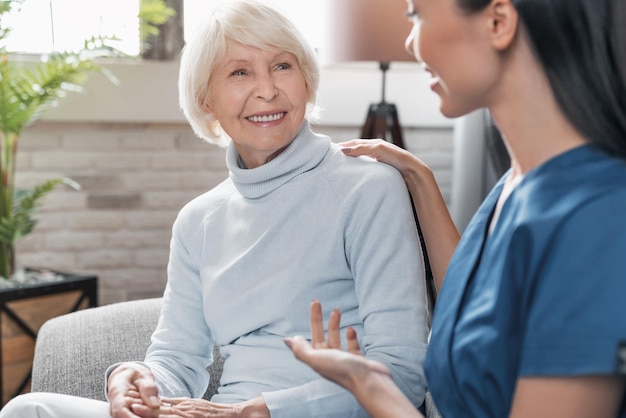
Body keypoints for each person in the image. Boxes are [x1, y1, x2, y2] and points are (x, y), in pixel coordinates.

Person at [0, 1, 430, 417]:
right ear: (206, 100)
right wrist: (137, 378)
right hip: (218, 414)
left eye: (283, 65)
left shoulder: (369, 187)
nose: (267, 90)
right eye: (240, 72)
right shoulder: (198, 221)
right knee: (28, 409)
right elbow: (177, 361)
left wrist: (263, 411)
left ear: (306, 79)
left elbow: (405, 375)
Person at [286, 0, 626, 417]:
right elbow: (480, 315)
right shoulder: (516, 185)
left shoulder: (596, 219)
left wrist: (370, 387)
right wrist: (419, 178)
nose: (411, 42)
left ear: (499, 22)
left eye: (416, 15)